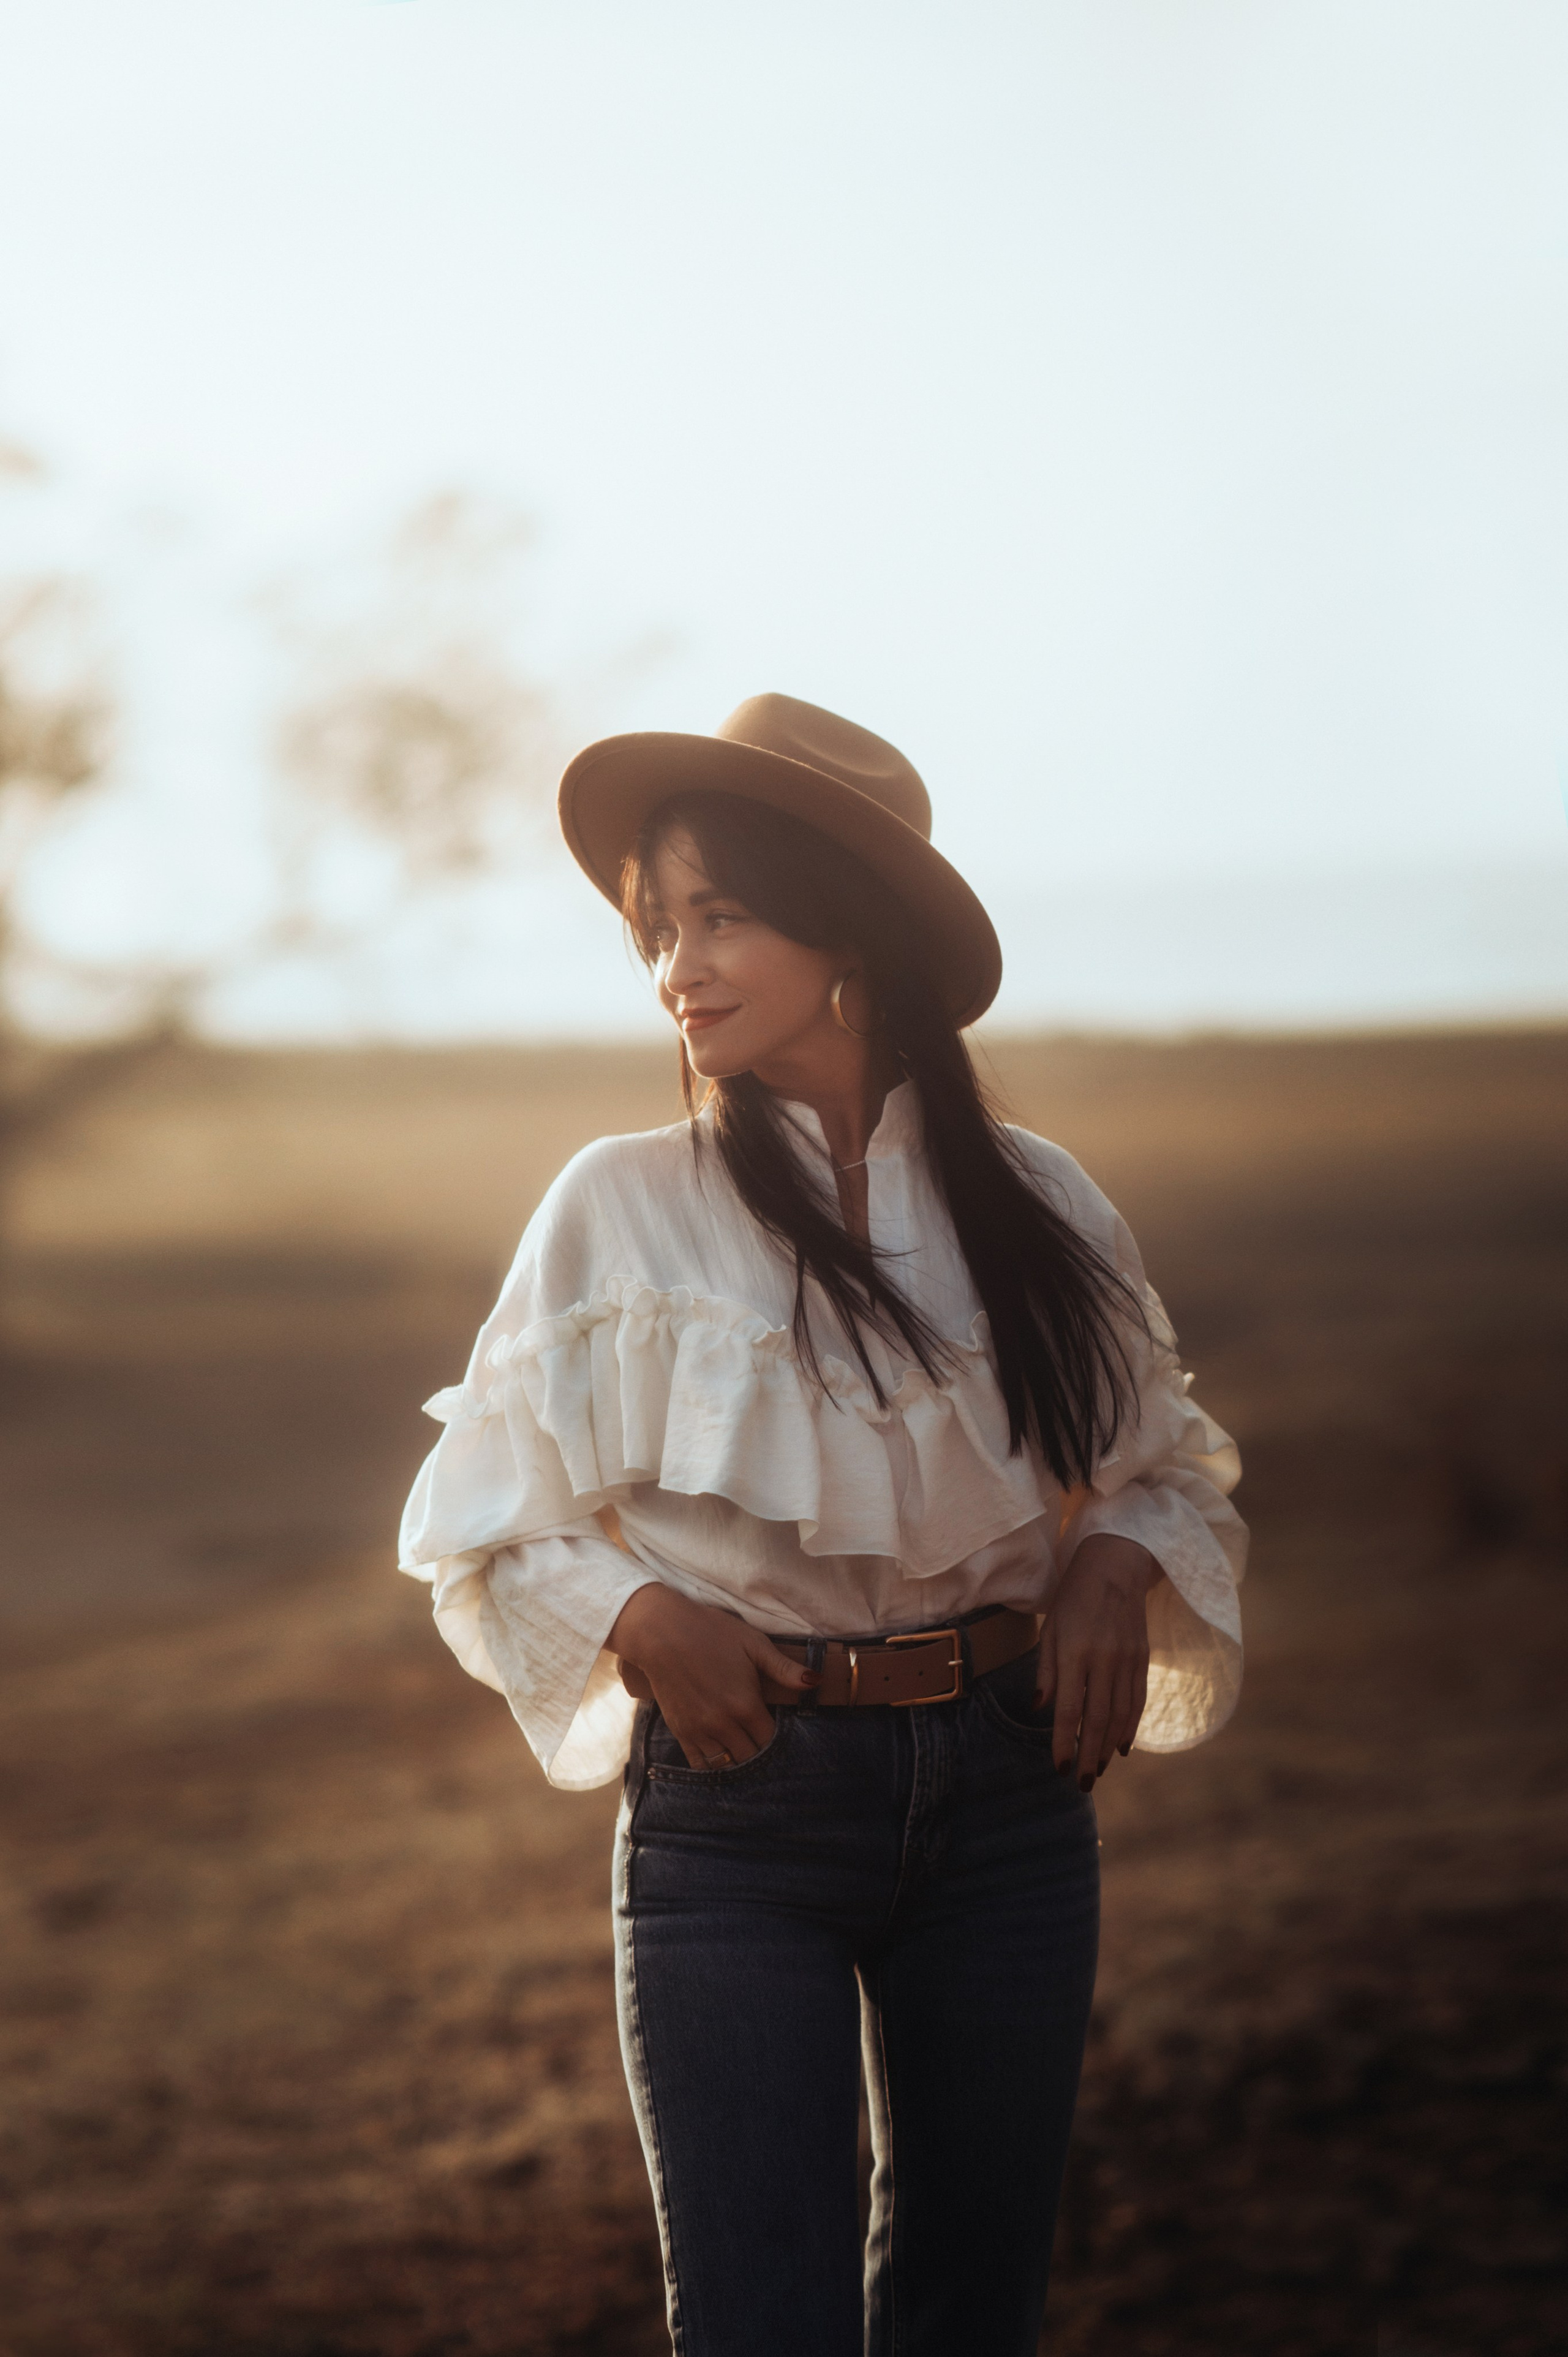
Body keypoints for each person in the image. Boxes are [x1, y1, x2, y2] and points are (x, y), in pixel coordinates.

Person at [399, 694, 1247, 2357]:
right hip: (742, 1813)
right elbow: (487, 1517)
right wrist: (639, 1618)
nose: (676, 966)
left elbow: (1165, 1459)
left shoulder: (1044, 1201)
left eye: (721, 914)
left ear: (845, 922)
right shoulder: (619, 1202)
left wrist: (1111, 1565)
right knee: (756, 2320)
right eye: (657, 926)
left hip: (1014, 1809)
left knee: (968, 2305)